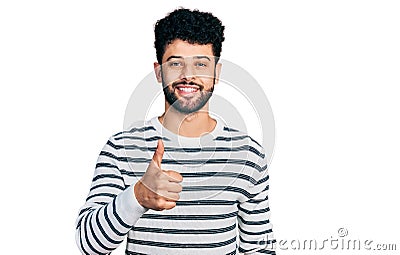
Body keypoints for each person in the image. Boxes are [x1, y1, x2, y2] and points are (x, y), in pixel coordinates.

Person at [76, 8, 276, 255]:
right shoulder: (121, 147)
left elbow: (259, 248)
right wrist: (137, 197)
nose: (188, 76)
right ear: (159, 72)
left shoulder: (248, 154)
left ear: (217, 72)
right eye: (175, 63)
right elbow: (89, 244)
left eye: (201, 64)